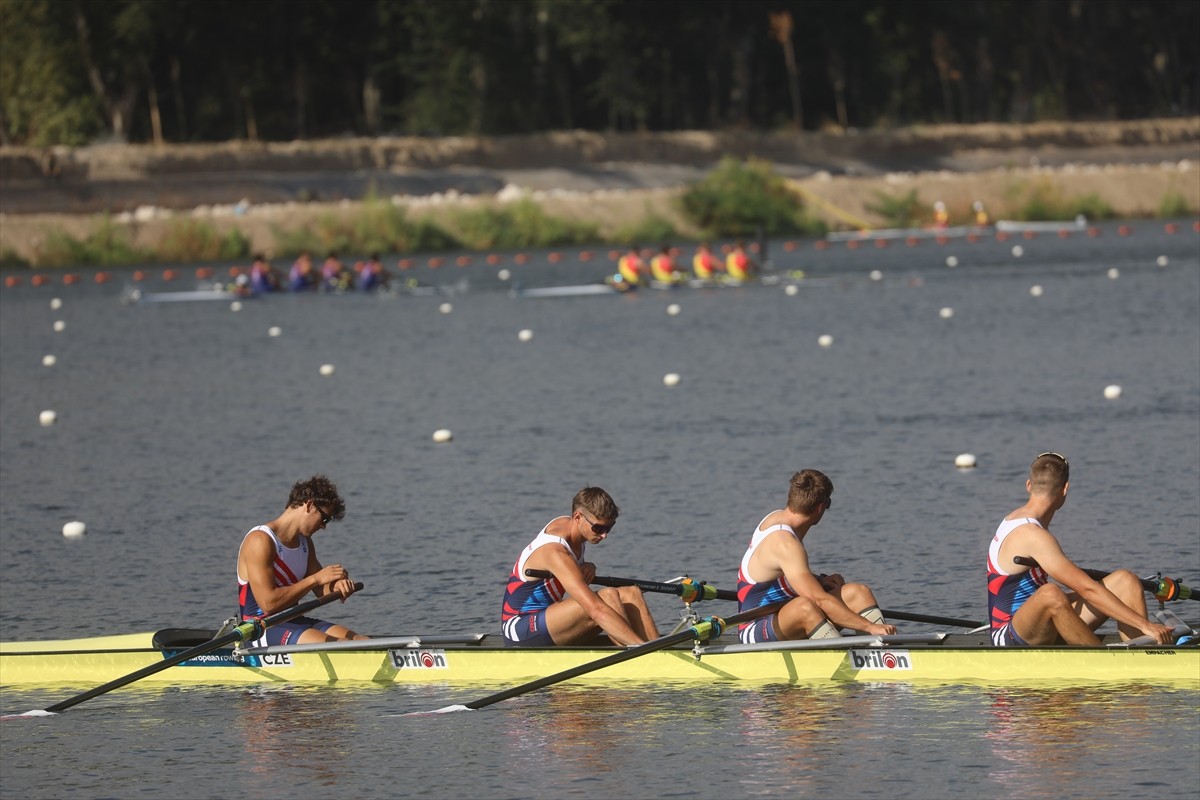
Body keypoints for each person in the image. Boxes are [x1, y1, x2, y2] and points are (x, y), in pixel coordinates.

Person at [986, 452, 1175, 646]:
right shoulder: (1030, 534)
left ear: (1028, 485)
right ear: (1065, 489)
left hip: (1042, 625)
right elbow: (1086, 588)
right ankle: (1104, 663)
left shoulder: (1020, 521)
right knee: (1051, 593)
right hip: (1009, 637)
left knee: (1126, 581)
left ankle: (1143, 655)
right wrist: (1145, 624)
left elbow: (1086, 589)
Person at [736, 470, 896, 643]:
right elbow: (819, 600)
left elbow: (780, 573)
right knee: (806, 606)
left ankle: (883, 653)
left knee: (858, 593)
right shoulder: (785, 544)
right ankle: (849, 663)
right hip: (755, 628)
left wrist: (819, 580)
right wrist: (869, 627)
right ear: (821, 507)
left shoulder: (776, 517)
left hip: (782, 613)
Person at [501, 487, 661, 647]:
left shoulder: (570, 524)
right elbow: (596, 611)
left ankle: (659, 650)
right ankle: (643, 654)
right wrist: (642, 648)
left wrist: (588, 565)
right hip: (520, 630)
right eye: (598, 528)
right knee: (608, 596)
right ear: (577, 517)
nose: (604, 535)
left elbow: (570, 568)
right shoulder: (555, 552)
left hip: (548, 619)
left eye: (609, 527)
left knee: (631, 593)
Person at [236, 474, 368, 646]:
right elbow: (268, 603)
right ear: (310, 505)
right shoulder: (260, 541)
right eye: (324, 518)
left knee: (360, 641)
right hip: (261, 630)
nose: (324, 526)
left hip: (294, 623)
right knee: (340, 646)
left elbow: (322, 590)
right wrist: (314, 579)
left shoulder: (305, 544)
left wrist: (338, 587)